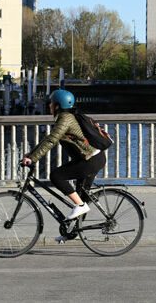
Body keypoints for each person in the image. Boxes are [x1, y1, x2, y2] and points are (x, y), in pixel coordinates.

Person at [22, 89, 106, 220]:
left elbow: (52, 140)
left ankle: (80, 206)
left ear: (57, 106)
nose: (49, 105)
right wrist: (32, 153)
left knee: (56, 176)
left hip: (90, 160)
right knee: (80, 196)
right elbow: (48, 138)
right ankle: (73, 233)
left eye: (51, 103)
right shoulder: (67, 118)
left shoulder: (65, 119)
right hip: (93, 158)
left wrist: (32, 159)